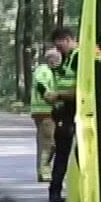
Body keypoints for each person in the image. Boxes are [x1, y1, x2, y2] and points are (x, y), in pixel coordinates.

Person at [48, 26, 79, 202]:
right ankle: (56, 191)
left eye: (59, 44)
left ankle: (64, 194)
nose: (57, 49)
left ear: (67, 39)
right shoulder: (68, 58)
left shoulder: (78, 57)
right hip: (65, 110)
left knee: (68, 154)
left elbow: (82, 87)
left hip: (75, 110)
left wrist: (58, 94)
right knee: (62, 152)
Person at [31, 48, 60, 185]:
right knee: (48, 143)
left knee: (47, 142)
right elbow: (41, 85)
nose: (58, 62)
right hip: (44, 111)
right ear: (51, 59)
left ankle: (44, 170)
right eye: (57, 59)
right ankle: (44, 172)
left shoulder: (52, 71)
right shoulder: (43, 70)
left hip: (48, 112)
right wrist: (49, 96)